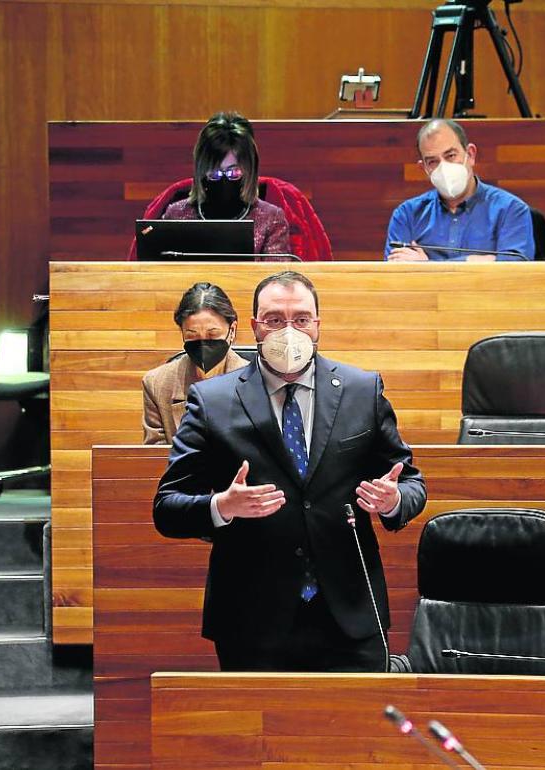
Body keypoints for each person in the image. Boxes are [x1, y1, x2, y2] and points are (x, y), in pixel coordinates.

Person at [153, 270, 427, 672]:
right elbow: (167, 506)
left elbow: (410, 481)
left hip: (350, 616)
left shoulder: (361, 389)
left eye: (300, 319)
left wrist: (394, 500)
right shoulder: (212, 400)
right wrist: (222, 506)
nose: (289, 330)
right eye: (275, 320)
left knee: (354, 734)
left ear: (317, 324)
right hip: (251, 619)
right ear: (253, 327)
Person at [384, 119, 535, 262]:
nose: (443, 167)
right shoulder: (406, 215)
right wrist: (475, 261)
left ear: (470, 154)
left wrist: (429, 267)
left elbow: (514, 270)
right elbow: (396, 275)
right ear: (423, 168)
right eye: (432, 161)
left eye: (450, 156)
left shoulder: (511, 209)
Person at [162, 111, 290, 254]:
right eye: (214, 173)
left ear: (249, 171)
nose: (224, 180)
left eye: (233, 172)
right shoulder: (176, 215)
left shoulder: (271, 219)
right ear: (201, 172)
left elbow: (276, 275)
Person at [142, 283, 249, 445]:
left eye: (212, 335)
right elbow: (156, 458)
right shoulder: (156, 384)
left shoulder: (258, 381)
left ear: (232, 330)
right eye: (192, 336)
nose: (203, 344)